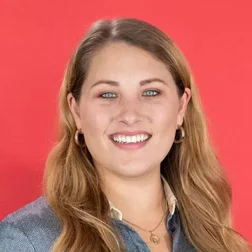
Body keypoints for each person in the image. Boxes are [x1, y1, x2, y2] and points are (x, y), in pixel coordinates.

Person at [0, 17, 250, 252]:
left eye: (151, 92)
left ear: (181, 107)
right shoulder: (25, 240)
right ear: (76, 112)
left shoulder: (215, 235)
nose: (130, 115)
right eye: (107, 94)